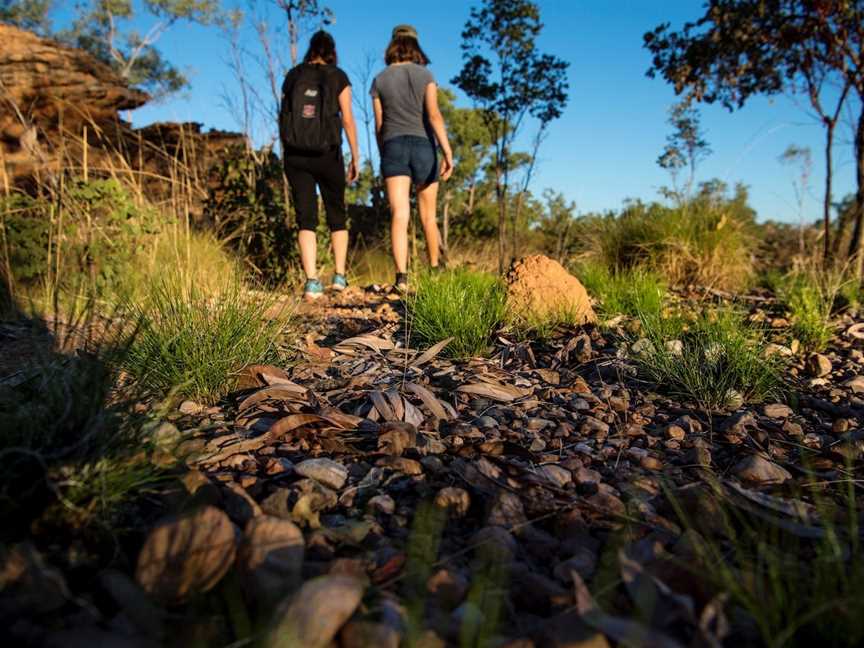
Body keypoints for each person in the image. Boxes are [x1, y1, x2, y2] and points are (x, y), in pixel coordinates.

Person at [371, 24, 454, 291]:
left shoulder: (380, 80)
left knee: (400, 214)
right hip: (423, 147)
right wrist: (447, 151)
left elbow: (379, 125)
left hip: (393, 146)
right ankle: (434, 273)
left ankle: (402, 278)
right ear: (415, 45)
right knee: (428, 217)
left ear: (393, 45)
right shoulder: (426, 75)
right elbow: (434, 115)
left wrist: (384, 152)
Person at [280, 30, 360, 301]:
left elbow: (285, 115)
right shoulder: (338, 76)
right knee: (336, 213)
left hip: (295, 155)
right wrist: (355, 155)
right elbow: (347, 118)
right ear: (331, 51)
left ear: (310, 49)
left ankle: (312, 282)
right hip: (328, 154)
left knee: (306, 217)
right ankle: (339, 277)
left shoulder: (293, 75)